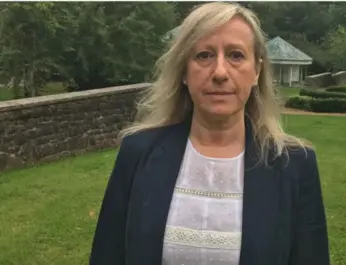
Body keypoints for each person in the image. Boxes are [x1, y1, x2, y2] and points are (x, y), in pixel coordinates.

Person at [89, 2, 330, 265]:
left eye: (236, 55)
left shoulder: (295, 164)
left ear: (256, 71)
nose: (219, 72)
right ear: (184, 71)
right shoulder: (137, 153)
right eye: (204, 55)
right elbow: (107, 255)